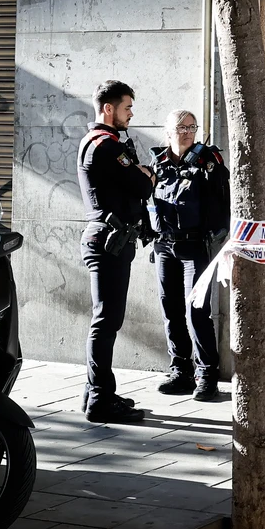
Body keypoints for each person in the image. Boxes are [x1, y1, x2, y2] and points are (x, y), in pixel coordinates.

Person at [78, 80, 154, 423]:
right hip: (109, 242)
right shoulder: (106, 146)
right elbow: (141, 185)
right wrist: (145, 173)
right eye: (126, 108)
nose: (131, 114)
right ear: (108, 109)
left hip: (109, 238)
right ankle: (99, 400)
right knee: (107, 321)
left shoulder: (97, 142)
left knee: (106, 319)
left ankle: (96, 391)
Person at [150, 110, 231, 401]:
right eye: (181, 127)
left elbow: (223, 197)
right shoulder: (158, 162)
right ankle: (180, 370)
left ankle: (207, 375)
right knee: (170, 310)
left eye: (192, 127)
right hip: (164, 246)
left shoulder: (207, 161)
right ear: (168, 131)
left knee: (196, 311)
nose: (187, 132)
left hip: (196, 247)